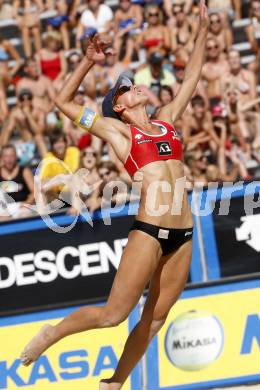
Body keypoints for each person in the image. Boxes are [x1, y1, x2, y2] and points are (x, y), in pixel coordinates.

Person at [20, 3, 209, 390]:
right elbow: (63, 102)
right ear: (119, 107)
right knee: (114, 315)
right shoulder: (118, 132)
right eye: (125, 88)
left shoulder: (167, 120)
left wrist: (203, 28)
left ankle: (114, 383)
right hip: (151, 230)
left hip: (185, 233)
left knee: (155, 319)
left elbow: (191, 75)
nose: (134, 85)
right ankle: (52, 333)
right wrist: (87, 62)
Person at [0, 144, 34, 220]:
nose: (9, 159)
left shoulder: (24, 171)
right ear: (1, 158)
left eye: (12, 156)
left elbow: (34, 192)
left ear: (16, 157)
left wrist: (26, 204)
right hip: (3, 208)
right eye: (6, 156)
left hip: (22, 206)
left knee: (24, 214)